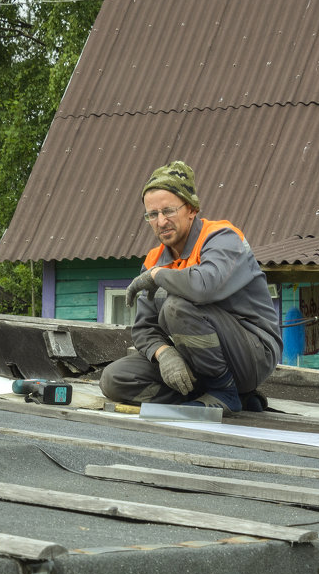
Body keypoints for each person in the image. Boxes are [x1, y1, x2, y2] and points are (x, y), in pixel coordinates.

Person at [99, 161, 282, 413]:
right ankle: (212, 397)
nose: (161, 221)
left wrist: (158, 276)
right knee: (114, 379)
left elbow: (203, 287)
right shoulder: (154, 259)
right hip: (198, 360)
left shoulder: (223, 238)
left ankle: (225, 393)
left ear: (192, 209)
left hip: (251, 354)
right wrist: (164, 354)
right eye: (152, 214)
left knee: (176, 306)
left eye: (168, 211)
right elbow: (144, 328)